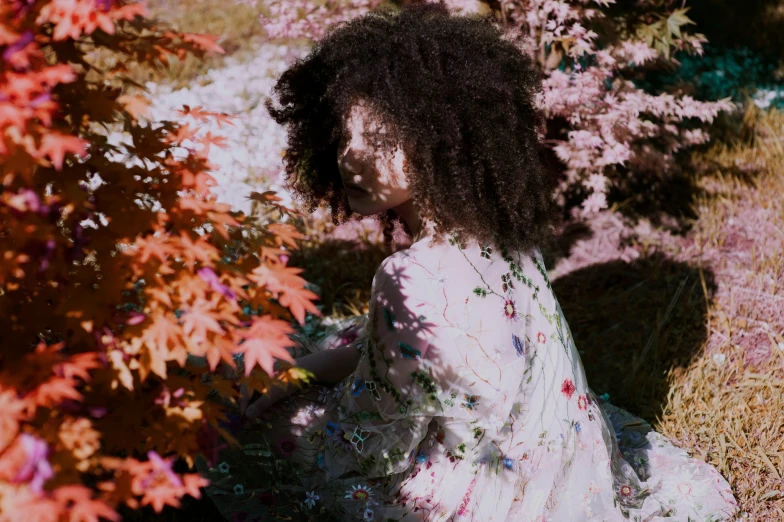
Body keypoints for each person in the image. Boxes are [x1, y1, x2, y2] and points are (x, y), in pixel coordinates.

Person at [199, 4, 739, 521]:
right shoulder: (503, 232)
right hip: (563, 469)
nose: (350, 157)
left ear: (442, 140)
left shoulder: (408, 277)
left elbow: (371, 451)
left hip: (478, 494)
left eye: (383, 138)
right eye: (344, 135)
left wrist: (292, 396)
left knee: (259, 431)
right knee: (337, 348)